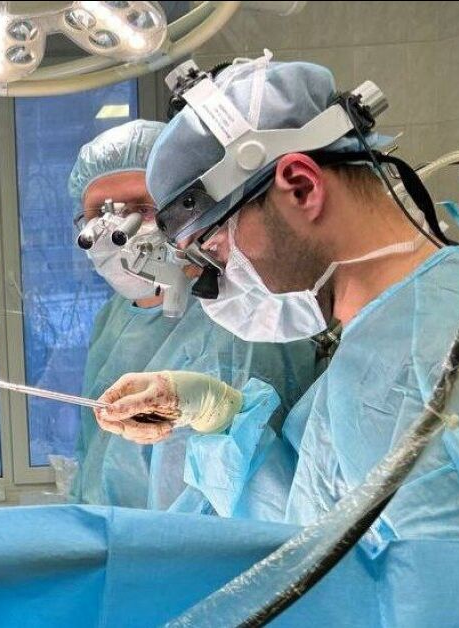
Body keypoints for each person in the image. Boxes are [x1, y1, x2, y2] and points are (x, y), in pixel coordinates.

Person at [96, 57, 459, 546]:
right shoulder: (380, 342)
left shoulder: (440, 348)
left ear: (301, 187)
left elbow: (436, 578)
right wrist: (221, 414)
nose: (216, 284)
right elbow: (314, 529)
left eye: (215, 247)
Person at [68, 119, 319, 509]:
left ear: (187, 210)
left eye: (142, 208)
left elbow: (266, 487)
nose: (116, 227)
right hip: (117, 538)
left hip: (202, 544)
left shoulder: (244, 317)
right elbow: (94, 456)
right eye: (100, 211)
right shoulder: (112, 320)